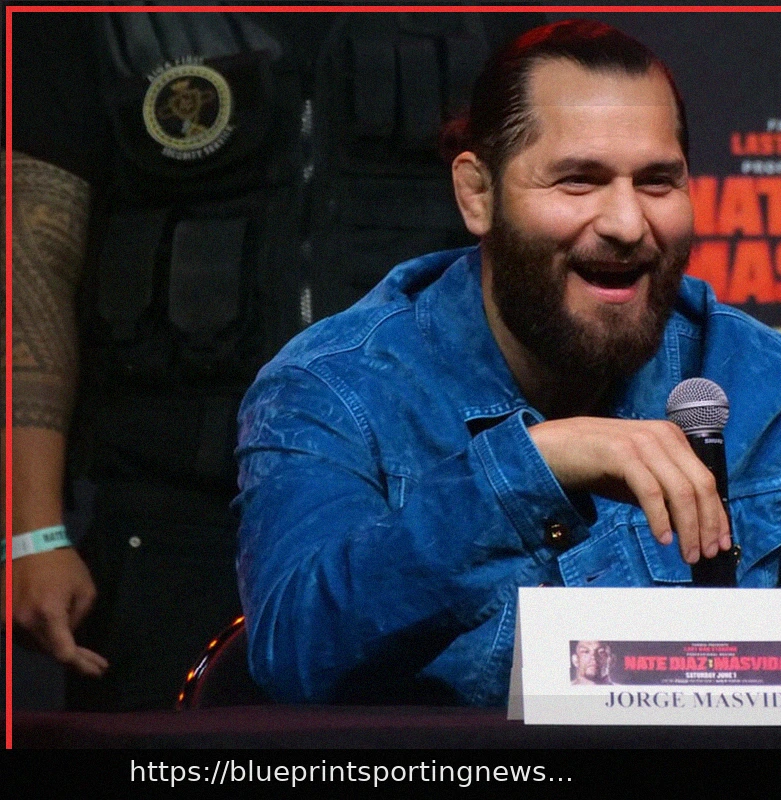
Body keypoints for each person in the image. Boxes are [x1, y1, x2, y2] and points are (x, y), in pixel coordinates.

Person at [235, 19, 781, 715]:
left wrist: (682, 676)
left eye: (658, 181)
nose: (628, 223)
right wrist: (530, 467)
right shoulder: (337, 388)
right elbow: (296, 652)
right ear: (477, 193)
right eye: (579, 180)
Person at [7, 9, 538, 711]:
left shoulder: (492, 18)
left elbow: (547, 224)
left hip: (433, 500)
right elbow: (30, 264)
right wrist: (32, 531)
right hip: (173, 514)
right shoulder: (96, 20)